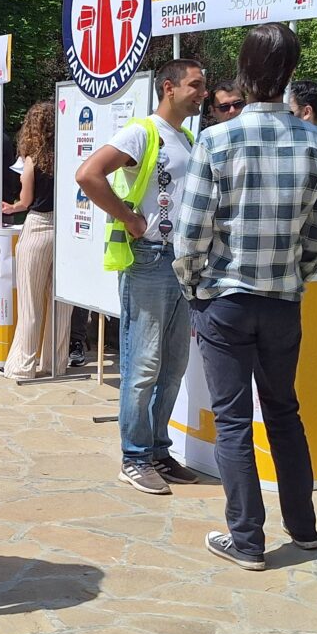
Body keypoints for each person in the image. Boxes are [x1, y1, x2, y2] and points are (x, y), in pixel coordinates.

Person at [174, 23, 317, 570]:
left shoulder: (216, 141)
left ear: (244, 74)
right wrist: (295, 278)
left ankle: (247, 540)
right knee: (285, 411)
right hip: (282, 300)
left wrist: (194, 285)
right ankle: (305, 527)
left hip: (224, 298)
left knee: (234, 420)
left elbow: (190, 231)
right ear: (290, 74)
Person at [76, 59, 207, 496]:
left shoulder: (186, 136)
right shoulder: (141, 132)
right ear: (168, 88)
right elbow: (88, 175)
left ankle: (156, 452)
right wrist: (130, 218)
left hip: (182, 261)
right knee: (143, 363)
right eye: (195, 84)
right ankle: (134, 457)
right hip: (150, 259)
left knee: (172, 366)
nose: (202, 92)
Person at [0, 101, 69, 380]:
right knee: (61, 302)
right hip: (65, 230)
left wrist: (12, 207)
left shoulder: (32, 160)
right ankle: (56, 362)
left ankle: (23, 364)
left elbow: (26, 201)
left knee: (30, 302)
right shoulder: (69, 156)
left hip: (39, 226)